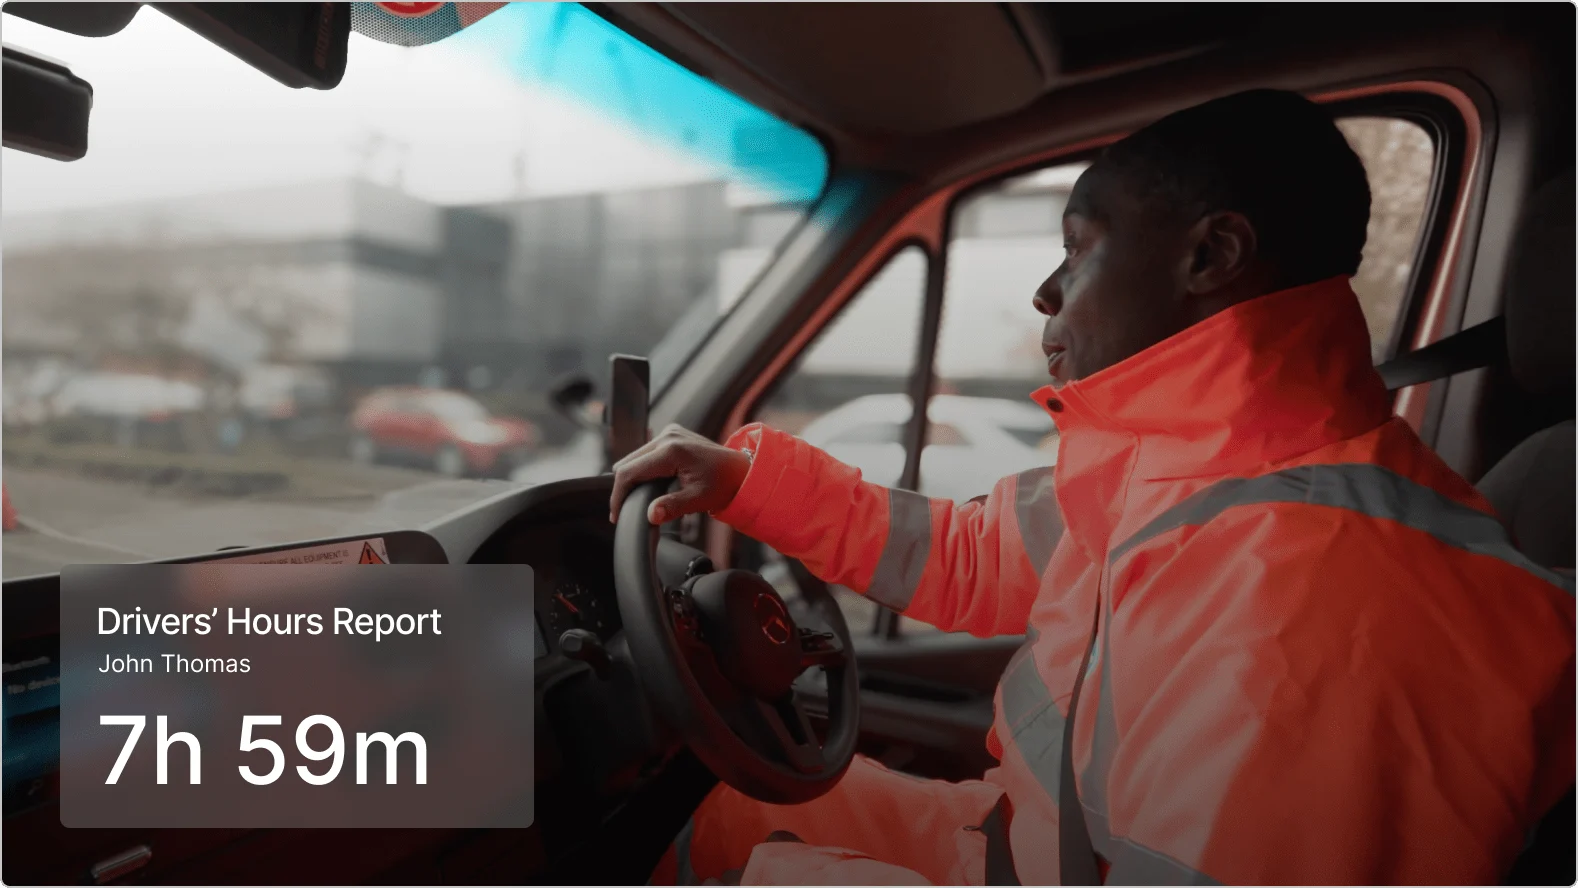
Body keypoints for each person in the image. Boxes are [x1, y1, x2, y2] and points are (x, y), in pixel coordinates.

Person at [610, 90, 1575, 885]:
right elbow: (963, 557)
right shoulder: (1181, 470)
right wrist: (744, 481)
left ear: (1211, 256)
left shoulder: (1323, 593)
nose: (1045, 291)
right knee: (719, 811)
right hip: (1036, 850)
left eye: (1077, 246)